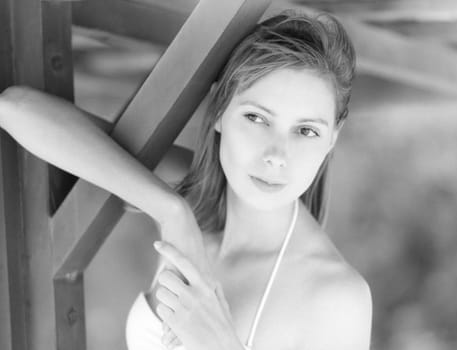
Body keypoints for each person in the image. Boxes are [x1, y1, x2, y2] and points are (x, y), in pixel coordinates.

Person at [0, 10, 372, 350]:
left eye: (306, 131)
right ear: (220, 113)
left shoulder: (337, 297)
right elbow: (17, 110)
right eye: (257, 118)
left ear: (332, 139)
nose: (276, 155)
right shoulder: (192, 194)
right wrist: (171, 210)